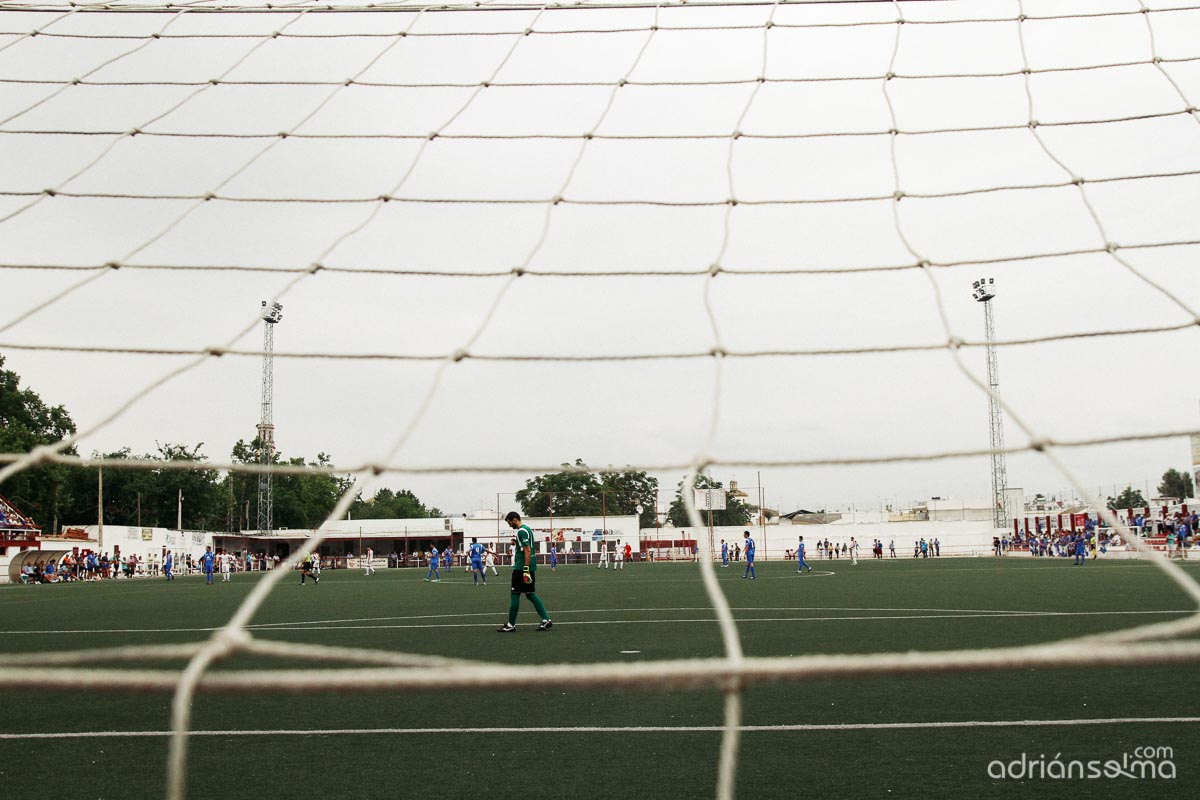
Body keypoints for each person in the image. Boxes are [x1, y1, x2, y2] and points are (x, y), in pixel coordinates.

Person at [496, 511, 553, 633]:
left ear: (515, 519)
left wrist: (525, 569)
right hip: (528, 567)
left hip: (521, 568)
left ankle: (511, 624)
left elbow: (527, 550)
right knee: (530, 594)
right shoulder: (528, 529)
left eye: (510, 522)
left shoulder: (521, 531)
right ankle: (546, 619)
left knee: (515, 594)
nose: (510, 525)